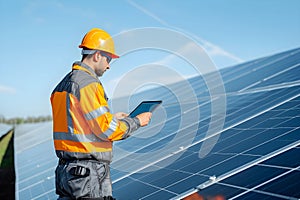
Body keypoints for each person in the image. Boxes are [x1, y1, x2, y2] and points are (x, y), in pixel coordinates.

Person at [50, 28, 152, 200]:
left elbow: (77, 125)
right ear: (97, 55)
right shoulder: (88, 84)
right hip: (88, 175)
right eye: (108, 58)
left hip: (67, 172)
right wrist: (136, 121)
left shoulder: (61, 86)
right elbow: (107, 130)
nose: (109, 65)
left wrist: (113, 118)